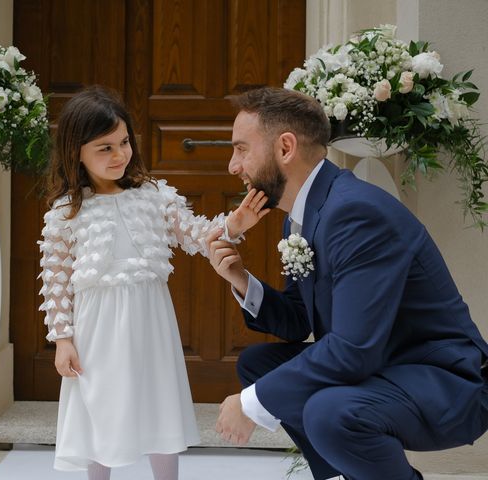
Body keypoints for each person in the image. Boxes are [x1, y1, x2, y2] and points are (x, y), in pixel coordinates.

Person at [207, 86, 488, 480]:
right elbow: (298, 322)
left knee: (330, 412)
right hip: (381, 364)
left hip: (441, 381)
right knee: (260, 364)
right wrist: (240, 279)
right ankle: (341, 476)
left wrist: (251, 405)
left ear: (285, 147)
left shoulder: (355, 213)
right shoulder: (303, 214)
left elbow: (353, 349)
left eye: (241, 149)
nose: (233, 166)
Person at [39, 85, 270, 480]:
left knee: (158, 402)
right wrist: (62, 338)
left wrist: (233, 225)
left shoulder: (154, 196)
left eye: (124, 142)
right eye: (105, 148)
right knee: (100, 407)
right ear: (76, 151)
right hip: (97, 330)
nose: (120, 154)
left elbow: (197, 234)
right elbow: (56, 280)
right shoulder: (65, 213)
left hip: (149, 322)